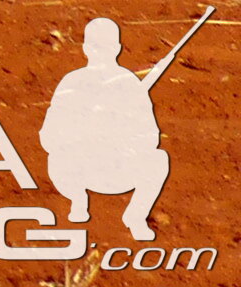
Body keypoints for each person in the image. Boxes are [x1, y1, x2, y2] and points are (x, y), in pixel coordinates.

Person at [42, 16, 174, 242]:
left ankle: (135, 216)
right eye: (97, 47)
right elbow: (49, 137)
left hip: (116, 166)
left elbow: (150, 137)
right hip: (78, 169)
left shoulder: (129, 85)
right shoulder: (73, 82)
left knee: (158, 159)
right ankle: (78, 200)